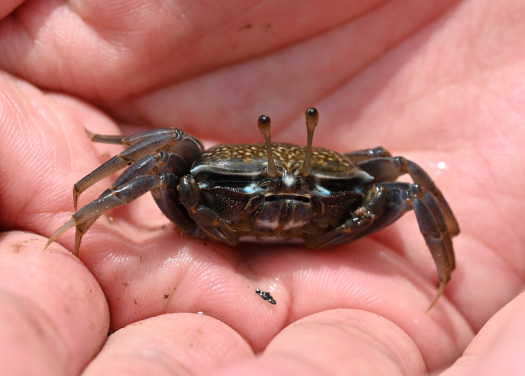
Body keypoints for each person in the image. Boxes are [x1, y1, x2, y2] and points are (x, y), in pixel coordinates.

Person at [0, 0, 524, 374]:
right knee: (167, 152)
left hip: (333, 214)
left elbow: (405, 177)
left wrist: (444, 241)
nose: (285, 203)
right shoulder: (186, 178)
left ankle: (444, 268)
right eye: (272, 194)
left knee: (406, 181)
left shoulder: (362, 193)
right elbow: (169, 160)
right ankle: (78, 217)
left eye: (305, 193)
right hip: (216, 205)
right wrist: (96, 188)